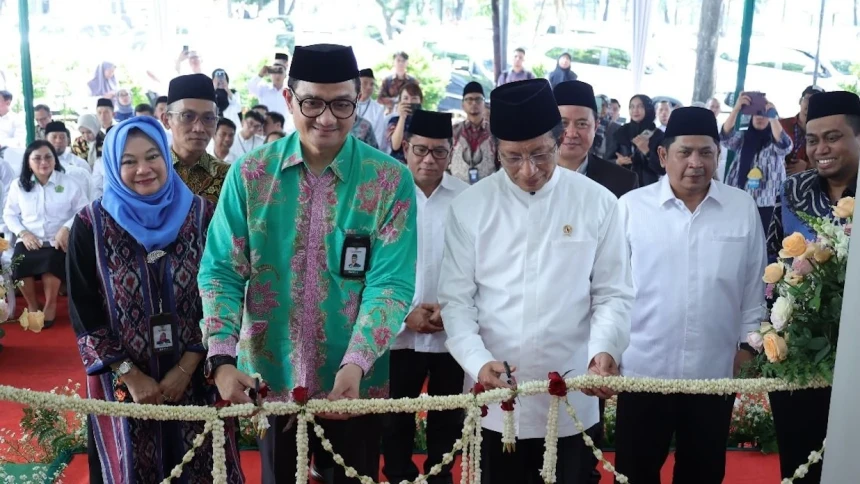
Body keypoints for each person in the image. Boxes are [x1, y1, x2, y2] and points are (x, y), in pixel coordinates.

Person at [198, 43, 417, 484]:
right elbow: (221, 269)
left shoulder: (390, 180)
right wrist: (221, 358)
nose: (327, 118)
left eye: (341, 104)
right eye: (312, 102)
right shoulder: (250, 175)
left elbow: (390, 283)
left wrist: (356, 363)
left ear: (359, 102)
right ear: (288, 99)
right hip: (269, 374)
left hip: (353, 381)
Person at [439, 79, 633, 484]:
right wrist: (477, 363)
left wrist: (605, 350)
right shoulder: (470, 208)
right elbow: (457, 302)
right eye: (513, 157)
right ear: (496, 150)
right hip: (495, 399)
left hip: (573, 395)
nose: (528, 170)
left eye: (541, 154)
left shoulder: (598, 203)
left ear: (559, 140)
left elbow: (612, 293)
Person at [67, 116, 244, 484]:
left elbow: (223, 293)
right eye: (128, 161)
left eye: (152, 156)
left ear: (166, 156)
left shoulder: (203, 216)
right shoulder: (89, 225)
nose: (143, 169)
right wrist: (130, 376)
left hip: (197, 379)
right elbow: (84, 311)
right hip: (124, 388)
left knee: (205, 469)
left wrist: (187, 366)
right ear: (113, 166)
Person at [614, 107, 766, 484]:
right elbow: (611, 288)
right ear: (664, 155)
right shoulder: (632, 208)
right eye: (685, 152)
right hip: (644, 371)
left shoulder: (741, 208)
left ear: (718, 155)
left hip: (712, 372)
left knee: (703, 471)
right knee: (635, 470)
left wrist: (748, 348)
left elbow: (753, 284)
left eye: (706, 152)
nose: (696, 163)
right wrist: (608, 348)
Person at [765, 91, 859, 484]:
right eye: (813, 139)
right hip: (801, 361)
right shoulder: (793, 190)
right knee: (800, 466)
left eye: (833, 137)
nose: (821, 149)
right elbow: (770, 267)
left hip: (853, 363)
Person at [382, 110, 468, 484]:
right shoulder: (385, 196)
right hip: (398, 332)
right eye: (420, 150)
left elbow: (479, 266)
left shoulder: (468, 199)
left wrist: (453, 313)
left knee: (447, 419)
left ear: (451, 153)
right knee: (395, 420)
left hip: (451, 333)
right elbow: (370, 266)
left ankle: (439, 476)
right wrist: (404, 316)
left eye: (439, 152)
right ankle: (399, 477)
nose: (429, 159)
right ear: (405, 148)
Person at [3, 140, 88, 328]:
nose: (44, 162)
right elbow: (9, 214)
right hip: (29, 239)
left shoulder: (68, 183)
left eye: (48, 156)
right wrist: (23, 233)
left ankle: (50, 305)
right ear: (28, 162)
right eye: (37, 158)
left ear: (55, 159)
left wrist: (66, 228)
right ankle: (33, 305)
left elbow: (83, 210)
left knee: (52, 259)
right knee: (20, 260)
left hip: (56, 239)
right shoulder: (19, 185)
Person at [554, 80, 638, 198]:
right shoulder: (530, 175)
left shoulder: (623, 182)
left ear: (596, 127)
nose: (572, 133)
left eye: (582, 124)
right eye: (563, 123)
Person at [721, 92, 792, 230]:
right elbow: (725, 137)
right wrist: (736, 109)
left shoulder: (775, 142)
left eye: (764, 115)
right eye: (757, 113)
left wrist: (773, 116)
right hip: (740, 199)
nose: (760, 117)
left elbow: (785, 146)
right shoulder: (742, 138)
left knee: (764, 243)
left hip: (768, 203)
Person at [161, 74, 230, 204]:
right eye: (187, 116)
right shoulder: (151, 173)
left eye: (208, 118)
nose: (199, 128)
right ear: (166, 120)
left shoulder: (228, 176)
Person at [612, 94, 665, 186]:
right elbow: (606, 160)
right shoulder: (621, 132)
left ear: (648, 109)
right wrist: (617, 162)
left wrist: (647, 151)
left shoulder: (658, 135)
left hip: (648, 188)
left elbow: (663, 169)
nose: (635, 110)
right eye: (631, 107)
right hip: (622, 186)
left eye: (640, 106)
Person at [450, 82, 495, 184]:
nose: (474, 103)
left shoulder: (494, 132)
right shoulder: (453, 131)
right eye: (469, 99)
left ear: (484, 104)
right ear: (463, 105)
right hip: (458, 189)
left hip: (488, 189)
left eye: (478, 99)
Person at [780, 85, 825, 175]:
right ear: (800, 101)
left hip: (806, 182)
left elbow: (829, 160)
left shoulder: (824, 132)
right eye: (807, 99)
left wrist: (807, 167)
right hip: (776, 178)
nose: (810, 104)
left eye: (816, 101)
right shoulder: (782, 124)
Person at [247, 53, 293, 123]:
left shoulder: (289, 92)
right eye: (275, 71)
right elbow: (250, 87)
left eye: (280, 71)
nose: (277, 75)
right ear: (270, 74)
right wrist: (260, 75)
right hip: (265, 126)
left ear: (285, 75)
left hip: (284, 129)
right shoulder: (263, 89)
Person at [387, 83, 423, 162]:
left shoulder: (427, 121)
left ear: (420, 101)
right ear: (400, 101)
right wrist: (402, 117)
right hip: (398, 164)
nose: (409, 102)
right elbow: (395, 146)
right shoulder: (394, 121)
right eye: (405, 98)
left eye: (414, 98)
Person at [357, 68, 386, 147]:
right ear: (357, 84)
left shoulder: (378, 109)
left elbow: (378, 139)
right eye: (365, 83)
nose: (369, 87)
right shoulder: (346, 104)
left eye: (372, 84)